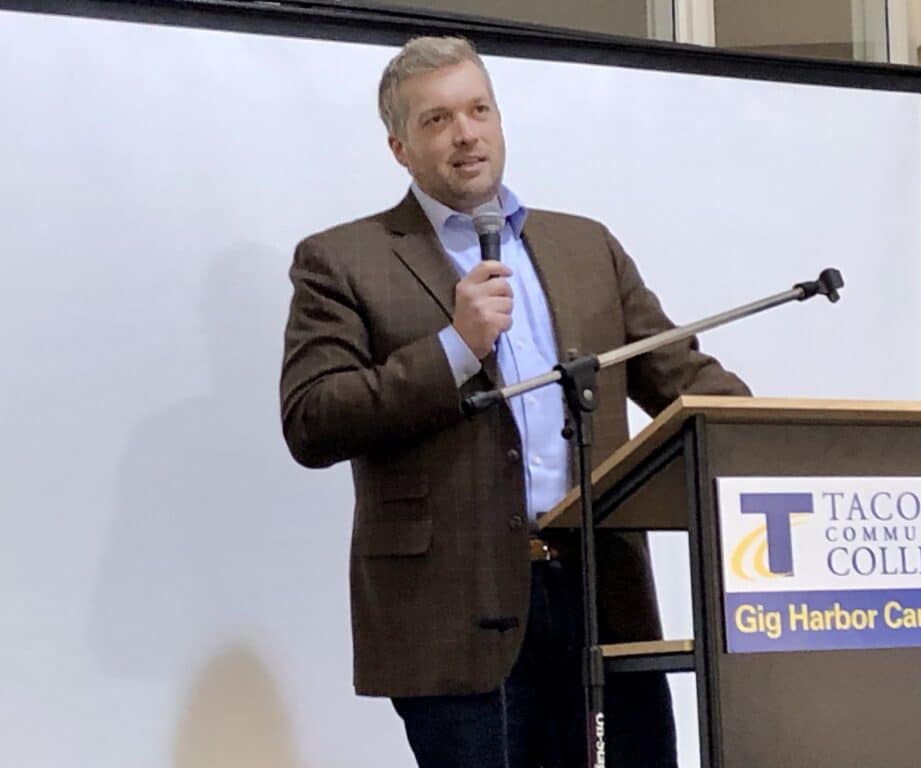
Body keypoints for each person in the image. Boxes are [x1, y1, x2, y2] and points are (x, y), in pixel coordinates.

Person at [280, 35, 749, 768]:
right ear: (400, 148)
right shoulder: (344, 259)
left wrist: (794, 442)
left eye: (479, 110)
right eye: (437, 120)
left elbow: (682, 377)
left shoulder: (585, 246)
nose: (466, 133)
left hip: (603, 595)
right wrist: (455, 347)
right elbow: (313, 418)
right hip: (452, 612)